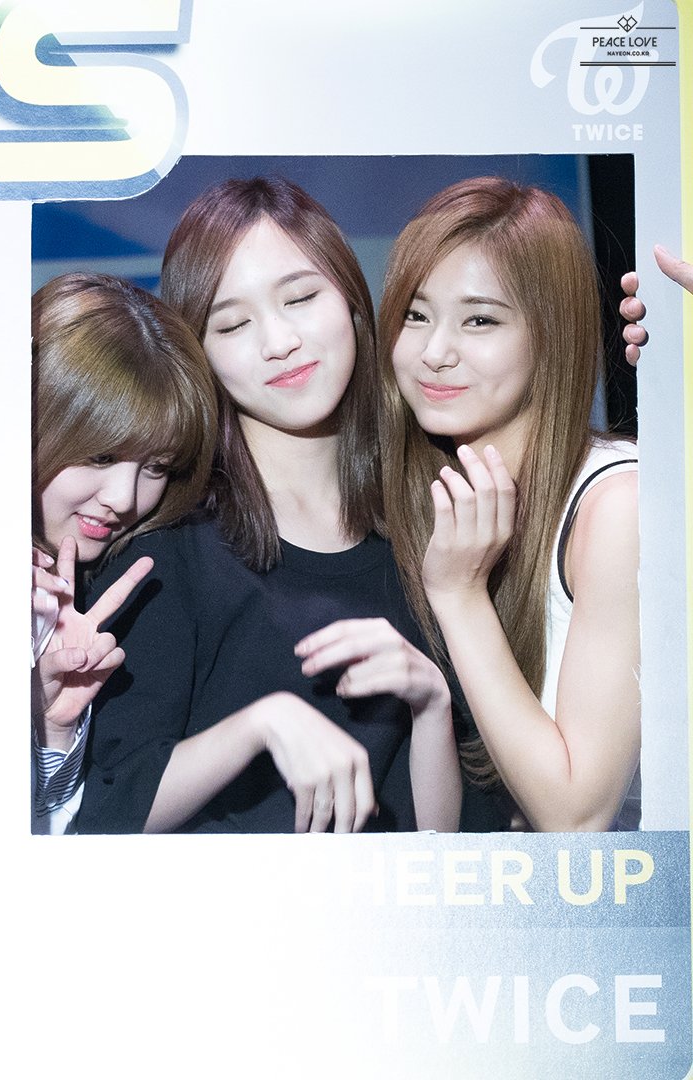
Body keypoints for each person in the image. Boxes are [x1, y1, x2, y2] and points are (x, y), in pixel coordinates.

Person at [76, 177, 462, 836]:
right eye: (233, 324)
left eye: (301, 298)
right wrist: (260, 725)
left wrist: (432, 706)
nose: (278, 341)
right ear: (200, 354)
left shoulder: (433, 522)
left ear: (351, 299)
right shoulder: (166, 548)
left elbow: (442, 853)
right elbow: (104, 815)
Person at [378, 176, 642, 832]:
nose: (434, 353)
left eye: (480, 320)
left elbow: (577, 818)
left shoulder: (618, 507)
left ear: (550, 335)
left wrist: (459, 595)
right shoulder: (426, 492)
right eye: (416, 314)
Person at [31, 272, 218, 832]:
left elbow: (42, 843)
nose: (124, 498)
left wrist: (50, 729)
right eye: (102, 456)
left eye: (156, 466)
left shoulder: (71, 600)